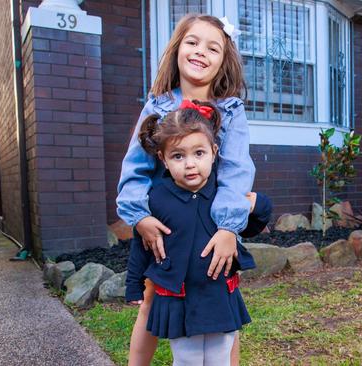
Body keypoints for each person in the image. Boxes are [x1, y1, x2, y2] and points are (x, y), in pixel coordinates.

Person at [116, 14, 253, 365]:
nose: (200, 52)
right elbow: (135, 168)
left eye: (213, 47)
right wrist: (140, 217)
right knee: (151, 299)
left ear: (223, 60)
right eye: (192, 42)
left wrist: (228, 228)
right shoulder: (157, 106)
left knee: (223, 302)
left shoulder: (232, 110)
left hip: (214, 226)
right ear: (177, 48)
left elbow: (237, 171)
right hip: (167, 225)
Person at [125, 101, 269, 365]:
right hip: (179, 298)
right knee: (187, 359)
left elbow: (253, 224)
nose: (190, 164)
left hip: (218, 295)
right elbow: (141, 245)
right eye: (178, 156)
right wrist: (133, 285)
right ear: (163, 160)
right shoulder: (157, 200)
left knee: (219, 358)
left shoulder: (224, 195)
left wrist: (257, 204)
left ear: (214, 152)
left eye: (199, 153)